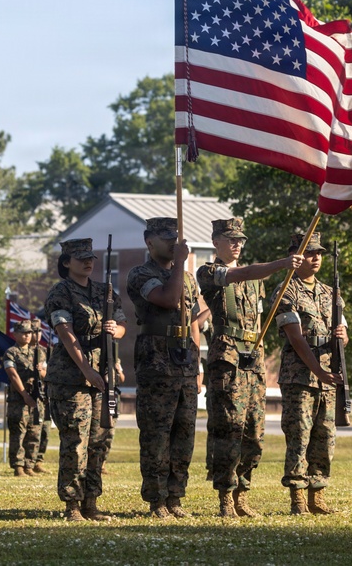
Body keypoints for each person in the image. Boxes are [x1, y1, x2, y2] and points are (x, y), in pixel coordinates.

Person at [196, 217, 303, 518]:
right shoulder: (208, 272)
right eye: (230, 239)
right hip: (227, 359)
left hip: (253, 359)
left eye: (240, 240)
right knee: (228, 429)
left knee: (254, 433)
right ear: (216, 241)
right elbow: (243, 273)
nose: (237, 244)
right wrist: (282, 263)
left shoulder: (256, 279)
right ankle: (226, 496)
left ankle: (243, 491)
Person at [126, 217, 206, 518]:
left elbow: (193, 321)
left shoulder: (185, 278)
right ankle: (157, 499)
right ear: (150, 241)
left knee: (183, 435)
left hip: (184, 360)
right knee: (156, 435)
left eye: (177, 237)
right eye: (167, 238)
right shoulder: (140, 273)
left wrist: (198, 368)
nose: (174, 242)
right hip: (156, 360)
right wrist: (180, 264)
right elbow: (170, 300)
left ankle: (175, 497)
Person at [44, 237, 127, 522]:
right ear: (66, 263)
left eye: (90, 257)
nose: (88, 262)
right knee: (75, 442)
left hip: (104, 378)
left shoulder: (105, 291)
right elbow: (66, 334)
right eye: (81, 258)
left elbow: (122, 326)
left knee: (99, 441)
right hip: (71, 379)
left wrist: (115, 329)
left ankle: (91, 503)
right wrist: (86, 371)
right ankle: (72, 505)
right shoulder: (61, 293)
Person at [274, 231, 346, 515]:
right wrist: (318, 371)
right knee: (299, 435)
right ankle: (298, 498)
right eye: (310, 252)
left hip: (328, 373)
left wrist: (342, 335)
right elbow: (295, 338)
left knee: (325, 436)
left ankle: (318, 494)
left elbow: (343, 334)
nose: (316, 258)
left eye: (319, 253)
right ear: (297, 254)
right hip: (299, 376)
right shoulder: (286, 291)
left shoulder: (331, 293)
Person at [2, 320, 43, 478]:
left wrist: (41, 371)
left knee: (34, 432)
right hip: (18, 398)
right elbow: (12, 374)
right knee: (18, 432)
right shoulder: (11, 352)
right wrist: (25, 395)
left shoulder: (38, 352)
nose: (27, 335)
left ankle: (29, 464)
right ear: (15, 334)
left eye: (29, 332)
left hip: (36, 397)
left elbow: (46, 374)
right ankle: (18, 465)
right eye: (23, 332)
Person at [31, 318, 52, 475]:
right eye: (33, 332)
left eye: (39, 331)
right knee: (31, 431)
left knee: (45, 430)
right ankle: (26, 462)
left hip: (44, 396)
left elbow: (49, 374)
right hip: (28, 396)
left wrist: (42, 372)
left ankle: (38, 460)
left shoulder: (44, 352)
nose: (37, 335)